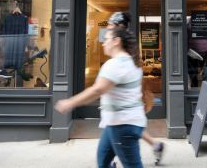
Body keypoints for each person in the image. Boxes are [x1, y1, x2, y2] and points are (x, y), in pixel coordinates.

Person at [55, 27, 146, 168]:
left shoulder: (115, 64)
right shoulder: (131, 62)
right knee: (103, 161)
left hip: (123, 125)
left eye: (106, 39)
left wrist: (70, 102)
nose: (103, 43)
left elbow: (97, 90)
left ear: (116, 41)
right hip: (116, 123)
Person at [107, 12, 165, 165]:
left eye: (111, 24)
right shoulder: (123, 42)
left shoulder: (121, 43)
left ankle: (110, 159)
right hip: (126, 96)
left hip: (125, 97)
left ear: (118, 26)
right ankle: (155, 145)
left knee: (122, 128)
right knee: (128, 128)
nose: (108, 26)